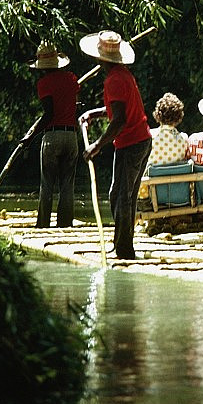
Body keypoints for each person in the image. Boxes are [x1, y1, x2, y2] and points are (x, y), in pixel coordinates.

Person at [78, 30, 151, 260]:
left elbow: (119, 119)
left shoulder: (115, 79)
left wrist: (96, 146)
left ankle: (124, 249)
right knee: (122, 195)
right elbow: (116, 110)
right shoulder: (121, 75)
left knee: (120, 195)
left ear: (101, 58)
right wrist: (93, 113)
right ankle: (122, 243)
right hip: (139, 140)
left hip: (132, 143)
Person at [21, 41, 80, 228]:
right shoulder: (72, 78)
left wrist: (30, 137)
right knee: (67, 185)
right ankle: (65, 224)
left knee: (47, 183)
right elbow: (71, 105)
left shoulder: (43, 83)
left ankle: (43, 225)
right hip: (71, 136)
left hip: (52, 137)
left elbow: (49, 114)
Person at [138, 92, 189, 203]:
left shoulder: (149, 137)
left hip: (153, 196)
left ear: (158, 115)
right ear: (179, 116)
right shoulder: (184, 139)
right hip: (178, 194)